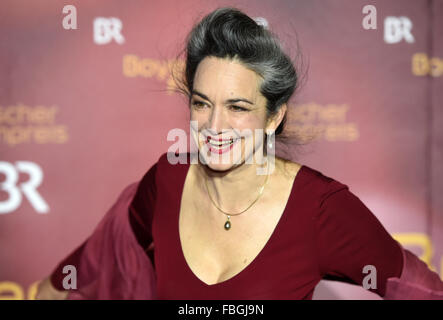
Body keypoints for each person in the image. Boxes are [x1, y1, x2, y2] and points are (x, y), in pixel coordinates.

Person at [36, 7, 443, 300]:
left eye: (238, 107)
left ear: (273, 116)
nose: (214, 126)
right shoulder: (167, 180)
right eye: (201, 103)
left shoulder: (321, 208)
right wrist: (54, 287)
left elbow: (417, 289)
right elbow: (106, 253)